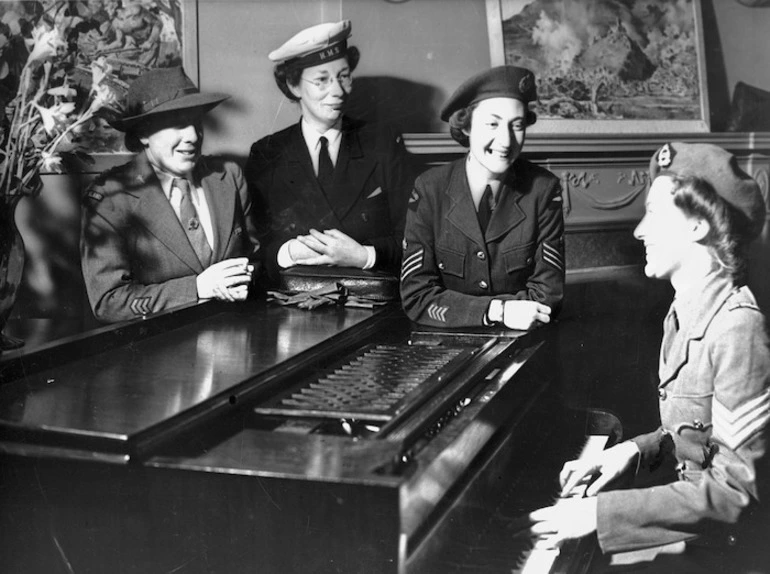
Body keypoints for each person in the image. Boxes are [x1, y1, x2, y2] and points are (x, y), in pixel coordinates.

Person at [529, 142, 770, 573]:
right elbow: (697, 433)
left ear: (698, 226)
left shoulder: (738, 327)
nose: (639, 231)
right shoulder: (686, 308)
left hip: (729, 551)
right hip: (694, 531)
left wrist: (597, 515)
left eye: (654, 214)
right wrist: (631, 453)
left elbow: (736, 494)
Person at [81, 66, 260, 323]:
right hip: (158, 353)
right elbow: (109, 302)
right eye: (176, 123)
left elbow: (255, 258)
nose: (192, 136)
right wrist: (197, 288)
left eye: (196, 123)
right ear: (143, 132)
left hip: (235, 340)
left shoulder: (229, 176)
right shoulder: (111, 198)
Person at [245, 20, 413, 282]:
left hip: (372, 298)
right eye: (322, 80)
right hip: (293, 301)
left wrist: (364, 256)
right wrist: (288, 253)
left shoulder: (382, 143)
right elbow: (254, 246)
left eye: (344, 77)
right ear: (293, 85)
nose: (337, 91)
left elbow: (415, 239)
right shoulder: (267, 152)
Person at [400, 66, 564, 329]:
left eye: (517, 125)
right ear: (466, 126)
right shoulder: (430, 189)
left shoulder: (543, 190)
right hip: (444, 345)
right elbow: (416, 297)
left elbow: (547, 297)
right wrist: (495, 311)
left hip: (522, 344)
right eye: (492, 124)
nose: (506, 140)